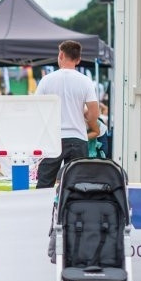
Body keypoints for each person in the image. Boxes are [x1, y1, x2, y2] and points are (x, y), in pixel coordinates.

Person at [35, 41, 99, 188]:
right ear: (78, 59)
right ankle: (75, 211)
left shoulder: (46, 80)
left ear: (61, 55)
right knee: (78, 185)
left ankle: (44, 210)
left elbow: (37, 109)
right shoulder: (86, 81)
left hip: (53, 138)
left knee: (44, 184)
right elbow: (94, 113)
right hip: (78, 137)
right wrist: (84, 116)